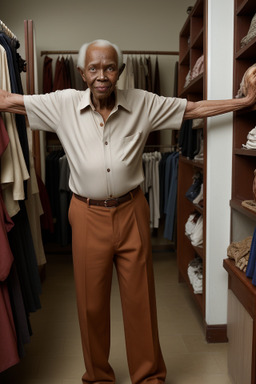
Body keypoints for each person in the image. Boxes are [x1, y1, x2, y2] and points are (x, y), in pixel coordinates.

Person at [1, 39, 256, 384]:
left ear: (119, 71)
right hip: (87, 214)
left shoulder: (143, 102)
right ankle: (98, 377)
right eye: (94, 68)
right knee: (91, 305)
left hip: (132, 209)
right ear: (82, 73)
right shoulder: (61, 103)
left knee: (140, 301)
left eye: (109, 67)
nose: (102, 75)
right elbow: (9, 101)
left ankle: (149, 376)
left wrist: (245, 101)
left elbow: (193, 110)